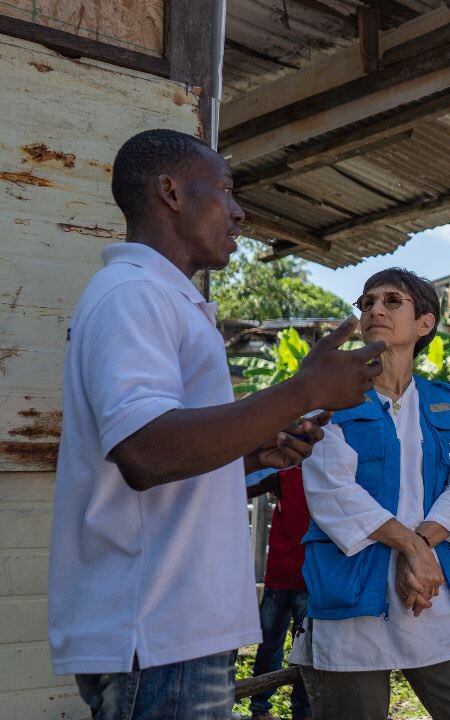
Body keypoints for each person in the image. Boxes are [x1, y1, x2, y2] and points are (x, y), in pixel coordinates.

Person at [48, 129, 382, 720]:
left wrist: (250, 454)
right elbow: (145, 451)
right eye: (225, 189)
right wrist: (303, 390)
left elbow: (161, 455)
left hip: (176, 630)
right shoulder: (133, 294)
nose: (238, 211)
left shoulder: (165, 299)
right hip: (158, 630)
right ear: (171, 192)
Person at [290, 268, 450, 720]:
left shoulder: (447, 401)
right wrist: (412, 548)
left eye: (391, 301)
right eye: (367, 302)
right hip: (354, 598)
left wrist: (418, 550)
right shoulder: (331, 400)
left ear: (425, 323)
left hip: (431, 593)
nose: (375, 310)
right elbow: (332, 490)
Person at [246, 467, 313, 720]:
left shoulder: (284, 476)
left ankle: (267, 708)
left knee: (286, 648)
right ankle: (273, 709)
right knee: (293, 649)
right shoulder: (284, 475)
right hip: (291, 576)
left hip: (298, 577)